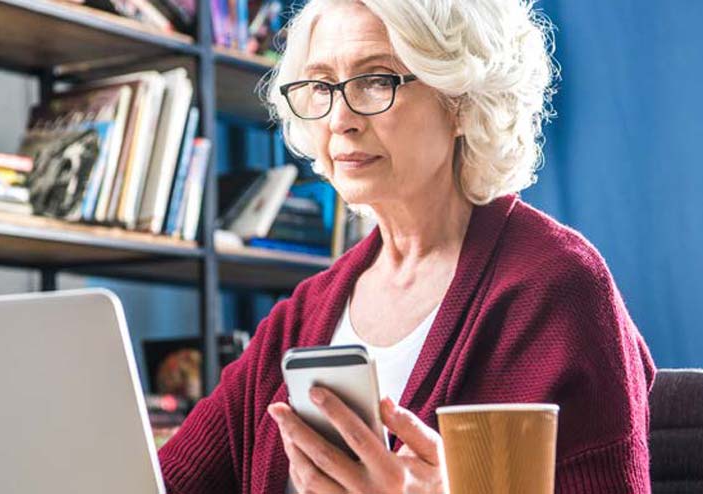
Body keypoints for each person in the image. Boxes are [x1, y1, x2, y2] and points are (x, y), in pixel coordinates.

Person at [159, 0, 656, 492]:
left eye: (376, 80)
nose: (340, 119)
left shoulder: (559, 285)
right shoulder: (303, 315)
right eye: (320, 86)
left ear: (462, 100)